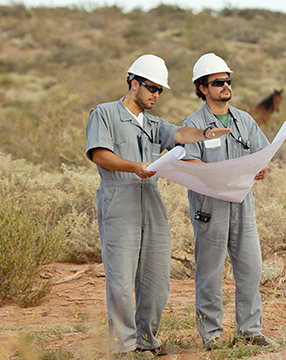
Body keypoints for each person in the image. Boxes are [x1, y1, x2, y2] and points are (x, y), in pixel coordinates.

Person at [85, 54, 231, 357]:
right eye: (152, 88)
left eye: (160, 91)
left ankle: (147, 341)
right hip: (119, 197)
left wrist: (205, 133)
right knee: (122, 278)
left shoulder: (153, 123)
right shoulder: (105, 113)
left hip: (151, 198)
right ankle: (123, 347)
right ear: (134, 83)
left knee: (156, 277)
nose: (156, 95)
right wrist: (133, 166)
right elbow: (99, 154)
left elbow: (178, 134)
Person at [180, 53, 271, 350]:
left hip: (242, 203)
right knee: (210, 271)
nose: (225, 86)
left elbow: (262, 153)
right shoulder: (192, 124)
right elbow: (190, 164)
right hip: (210, 207)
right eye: (218, 82)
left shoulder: (244, 120)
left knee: (251, 267)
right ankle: (212, 336)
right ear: (203, 87)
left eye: (228, 80)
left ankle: (249, 330)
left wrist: (261, 167)